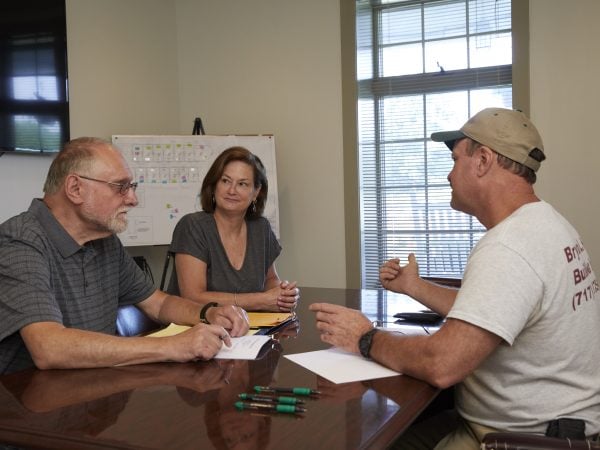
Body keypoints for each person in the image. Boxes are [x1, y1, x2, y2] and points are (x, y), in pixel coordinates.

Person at [310, 108, 600, 449]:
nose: (449, 175)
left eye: (455, 160)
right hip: (551, 425)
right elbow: (494, 309)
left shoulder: (510, 246)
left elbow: (442, 364)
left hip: (520, 439)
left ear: (482, 160)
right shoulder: (546, 224)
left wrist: (365, 337)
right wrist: (413, 287)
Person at [0, 137, 249, 376]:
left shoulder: (104, 241)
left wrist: (208, 313)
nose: (133, 199)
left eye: (131, 187)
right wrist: (173, 346)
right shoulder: (19, 241)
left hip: (94, 397)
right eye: (121, 187)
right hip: (30, 410)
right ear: (75, 188)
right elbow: (49, 347)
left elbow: (158, 304)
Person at [167, 146, 299, 312]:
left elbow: (270, 280)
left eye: (242, 184)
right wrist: (260, 300)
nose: (231, 190)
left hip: (246, 330)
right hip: (195, 329)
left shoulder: (261, 228)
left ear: (256, 192)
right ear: (214, 185)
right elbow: (193, 297)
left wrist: (283, 294)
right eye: (225, 181)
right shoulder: (193, 226)